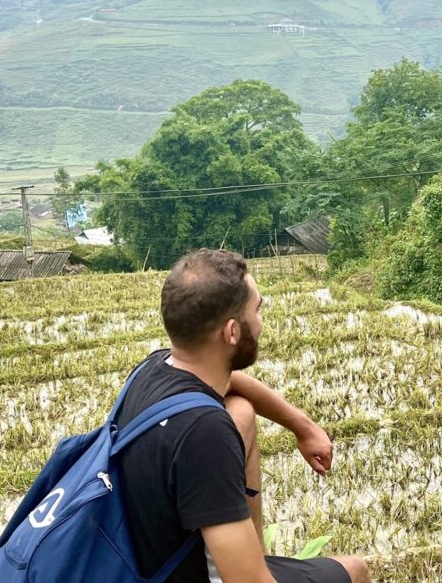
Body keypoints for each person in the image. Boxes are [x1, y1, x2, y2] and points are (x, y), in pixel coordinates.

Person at [116, 248, 371, 583]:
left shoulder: (155, 367)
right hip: (185, 574)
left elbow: (234, 382)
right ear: (232, 332)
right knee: (355, 570)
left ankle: (253, 552)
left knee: (241, 410)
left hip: (145, 560)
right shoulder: (204, 433)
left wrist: (302, 426)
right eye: (258, 310)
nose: (262, 322)